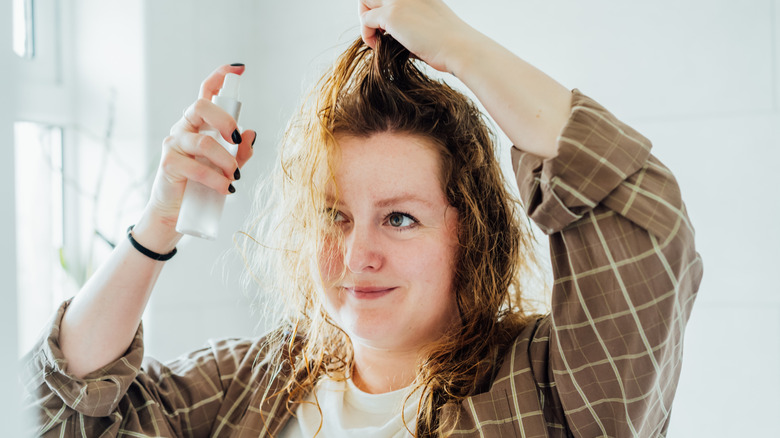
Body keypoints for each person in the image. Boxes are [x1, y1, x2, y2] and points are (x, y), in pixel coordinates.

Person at [22, 0, 702, 436]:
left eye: (400, 219)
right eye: (337, 216)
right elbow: (58, 410)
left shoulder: (555, 389)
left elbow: (639, 217)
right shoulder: (258, 383)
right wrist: (158, 219)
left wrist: (458, 46)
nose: (356, 256)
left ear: (470, 231)